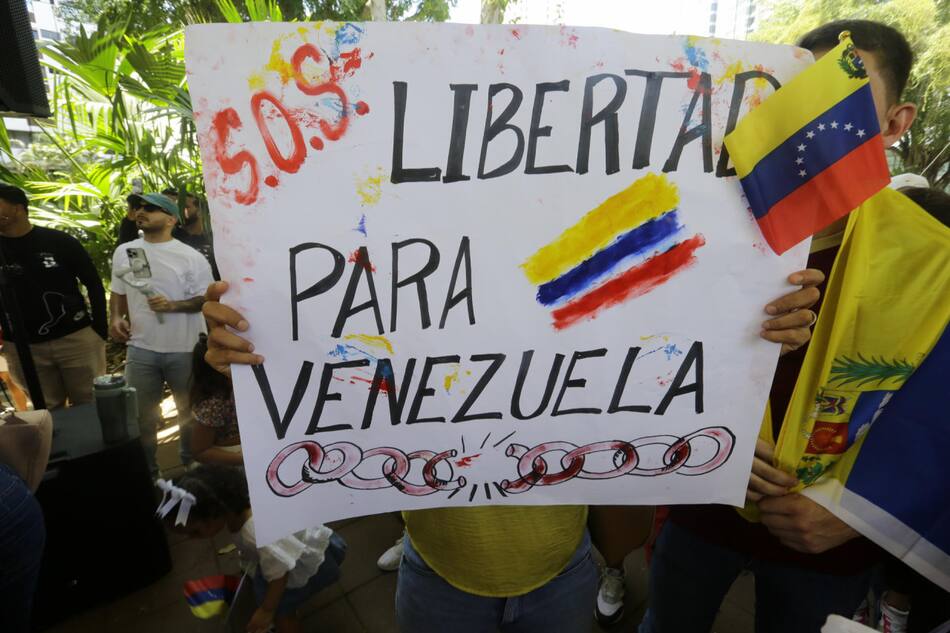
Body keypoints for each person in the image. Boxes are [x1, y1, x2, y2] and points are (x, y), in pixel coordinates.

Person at [201, 261, 822, 633]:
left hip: (564, 576)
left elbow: (668, 359)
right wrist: (263, 361)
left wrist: (755, 337)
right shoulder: (409, 302)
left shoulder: (603, 296)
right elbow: (341, 383)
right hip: (436, 578)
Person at [640, 20, 920, 633]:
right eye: (790, 94)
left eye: (837, 97)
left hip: (824, 539)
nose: (804, 120)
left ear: (895, 123)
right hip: (700, 504)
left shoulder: (930, 261)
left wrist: (858, 513)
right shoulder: (696, 224)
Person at [160, 465, 346, 633]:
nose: (193, 539)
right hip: (293, 543)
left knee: (281, 612)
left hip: (295, 561)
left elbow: (281, 574)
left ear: (215, 512)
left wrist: (266, 611)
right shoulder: (241, 498)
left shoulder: (252, 533)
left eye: (196, 532)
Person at [109, 193, 213, 474]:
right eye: (139, 207)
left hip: (185, 347)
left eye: (151, 208)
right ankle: (149, 476)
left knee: (188, 413)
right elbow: (119, 291)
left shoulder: (190, 256)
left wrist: (172, 305)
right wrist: (116, 318)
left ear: (171, 219)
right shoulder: (129, 251)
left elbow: (206, 299)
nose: (141, 212)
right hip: (141, 348)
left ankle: (192, 469)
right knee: (142, 418)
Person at [0, 183, 107, 409]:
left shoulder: (59, 241)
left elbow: (93, 283)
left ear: (18, 208)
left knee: (90, 405)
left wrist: (99, 330)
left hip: (75, 338)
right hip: (22, 346)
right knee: (48, 413)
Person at [190, 335, 242, 467]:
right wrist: (244, 459)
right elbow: (200, 451)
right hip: (231, 460)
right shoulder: (214, 403)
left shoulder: (243, 388)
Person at [175, 193, 220, 280]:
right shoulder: (171, 237)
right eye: (178, 207)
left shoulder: (216, 237)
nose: (180, 211)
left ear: (200, 212)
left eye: (186, 207)